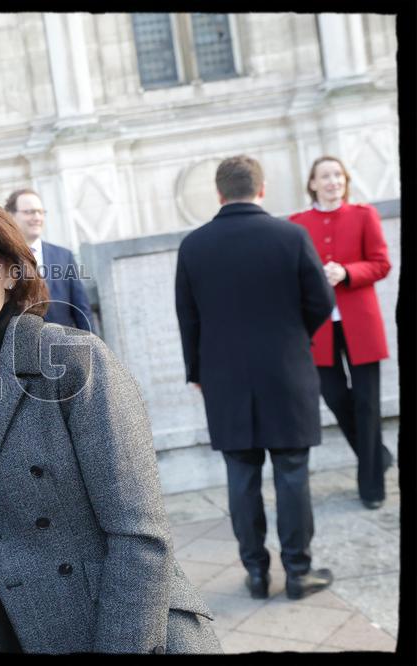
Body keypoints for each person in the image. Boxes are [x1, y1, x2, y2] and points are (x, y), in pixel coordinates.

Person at [0, 191, 220, 654]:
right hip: (27, 632)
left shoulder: (72, 360)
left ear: (7, 269)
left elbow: (141, 537)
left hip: (133, 635)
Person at [174, 155, 336, 601]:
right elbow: (320, 300)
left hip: (224, 379)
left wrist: (198, 372)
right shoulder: (291, 236)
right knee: (291, 472)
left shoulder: (194, 246)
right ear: (261, 190)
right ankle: (299, 571)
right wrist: (292, 337)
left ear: (220, 193)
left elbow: (188, 319)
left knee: (241, 475)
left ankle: (257, 573)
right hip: (286, 372)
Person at [289, 156, 393, 510]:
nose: (333, 181)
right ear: (313, 184)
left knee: (367, 405)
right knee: (336, 398)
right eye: (325, 176)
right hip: (319, 329)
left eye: (338, 175)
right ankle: (377, 455)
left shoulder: (364, 215)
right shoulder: (298, 224)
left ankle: (372, 487)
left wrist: (347, 272)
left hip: (361, 325)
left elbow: (381, 263)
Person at [3, 188, 93, 331]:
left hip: (62, 346)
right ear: (11, 216)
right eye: (29, 212)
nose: (37, 217)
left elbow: (82, 309)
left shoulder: (64, 256)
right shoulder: (2, 258)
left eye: (41, 212)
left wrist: (91, 348)